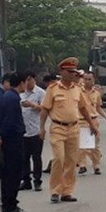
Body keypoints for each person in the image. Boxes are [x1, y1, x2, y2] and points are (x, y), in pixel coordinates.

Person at [39, 58, 98, 204]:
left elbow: (83, 108)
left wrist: (92, 124)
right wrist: (41, 128)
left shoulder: (77, 89)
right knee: (58, 159)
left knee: (71, 161)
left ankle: (67, 191)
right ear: (61, 72)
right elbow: (45, 109)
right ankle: (55, 191)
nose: (73, 74)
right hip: (58, 128)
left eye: (74, 71)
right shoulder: (53, 89)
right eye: (70, 71)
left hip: (74, 128)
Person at [0, 72, 29, 212]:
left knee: (7, 174)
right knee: (13, 173)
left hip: (8, 138)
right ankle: (11, 205)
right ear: (21, 83)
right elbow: (9, 121)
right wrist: (2, 134)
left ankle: (7, 204)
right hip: (13, 140)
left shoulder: (6, 96)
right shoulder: (13, 98)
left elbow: (1, 119)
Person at [78, 71, 106, 175]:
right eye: (85, 79)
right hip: (81, 121)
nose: (87, 81)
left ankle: (96, 165)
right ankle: (82, 165)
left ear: (93, 80)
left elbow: (98, 108)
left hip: (94, 120)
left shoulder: (96, 93)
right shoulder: (78, 92)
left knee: (95, 145)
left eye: (89, 79)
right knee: (82, 145)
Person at [19, 71, 46, 191]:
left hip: (36, 129)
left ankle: (37, 181)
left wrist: (33, 105)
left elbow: (45, 109)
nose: (28, 82)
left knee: (36, 157)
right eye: (26, 80)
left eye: (30, 80)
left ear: (34, 79)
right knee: (24, 158)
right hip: (23, 130)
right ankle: (26, 181)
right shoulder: (20, 93)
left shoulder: (41, 93)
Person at [0, 73, 12, 180]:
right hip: (1, 126)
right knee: (0, 150)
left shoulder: (11, 94)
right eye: (8, 82)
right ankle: (1, 172)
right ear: (3, 83)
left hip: (7, 127)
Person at [42, 74, 58, 174]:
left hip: (73, 124)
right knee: (58, 150)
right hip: (57, 125)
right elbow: (45, 108)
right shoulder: (50, 90)